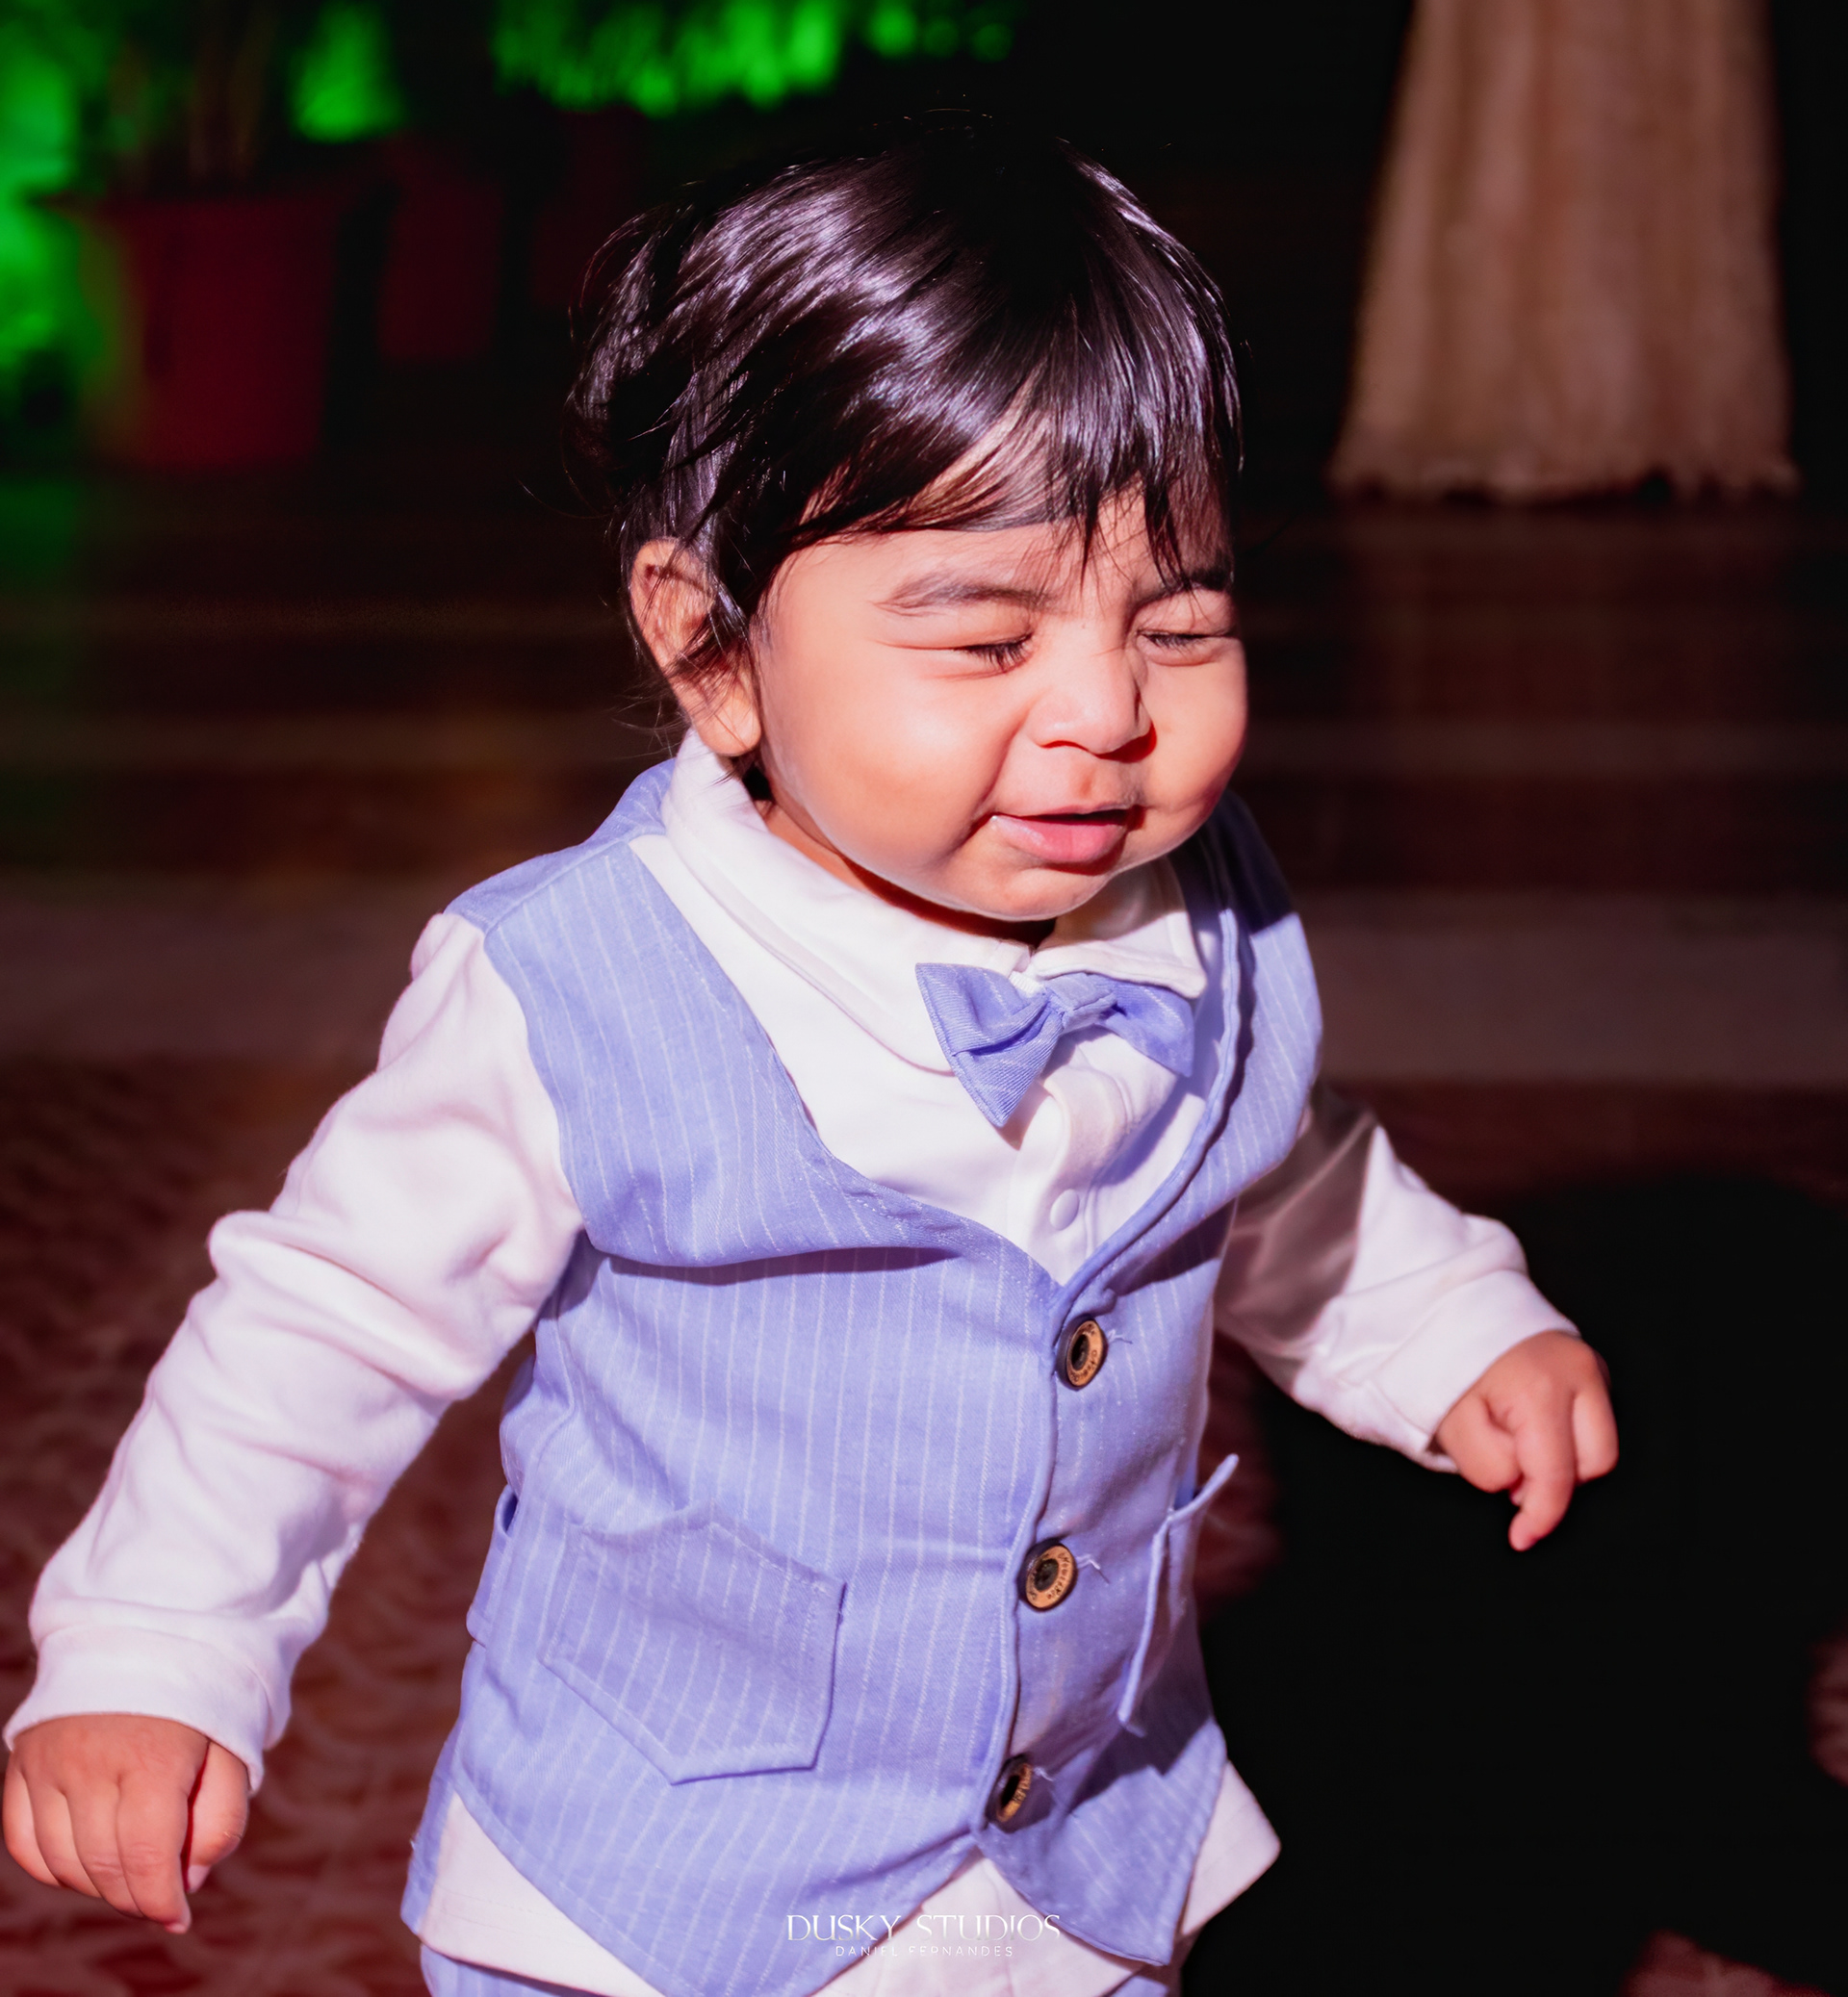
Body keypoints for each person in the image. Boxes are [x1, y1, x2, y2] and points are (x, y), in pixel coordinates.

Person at [2, 118, 1615, 1997]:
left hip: (1074, 1855)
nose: (1108, 710)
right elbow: (321, 1328)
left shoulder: (1205, 920)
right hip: (651, 1888)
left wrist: (1444, 1320)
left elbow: (1268, 1163)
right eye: (988, 637)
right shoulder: (575, 986)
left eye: (1181, 621)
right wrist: (156, 1647)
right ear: (710, 650)